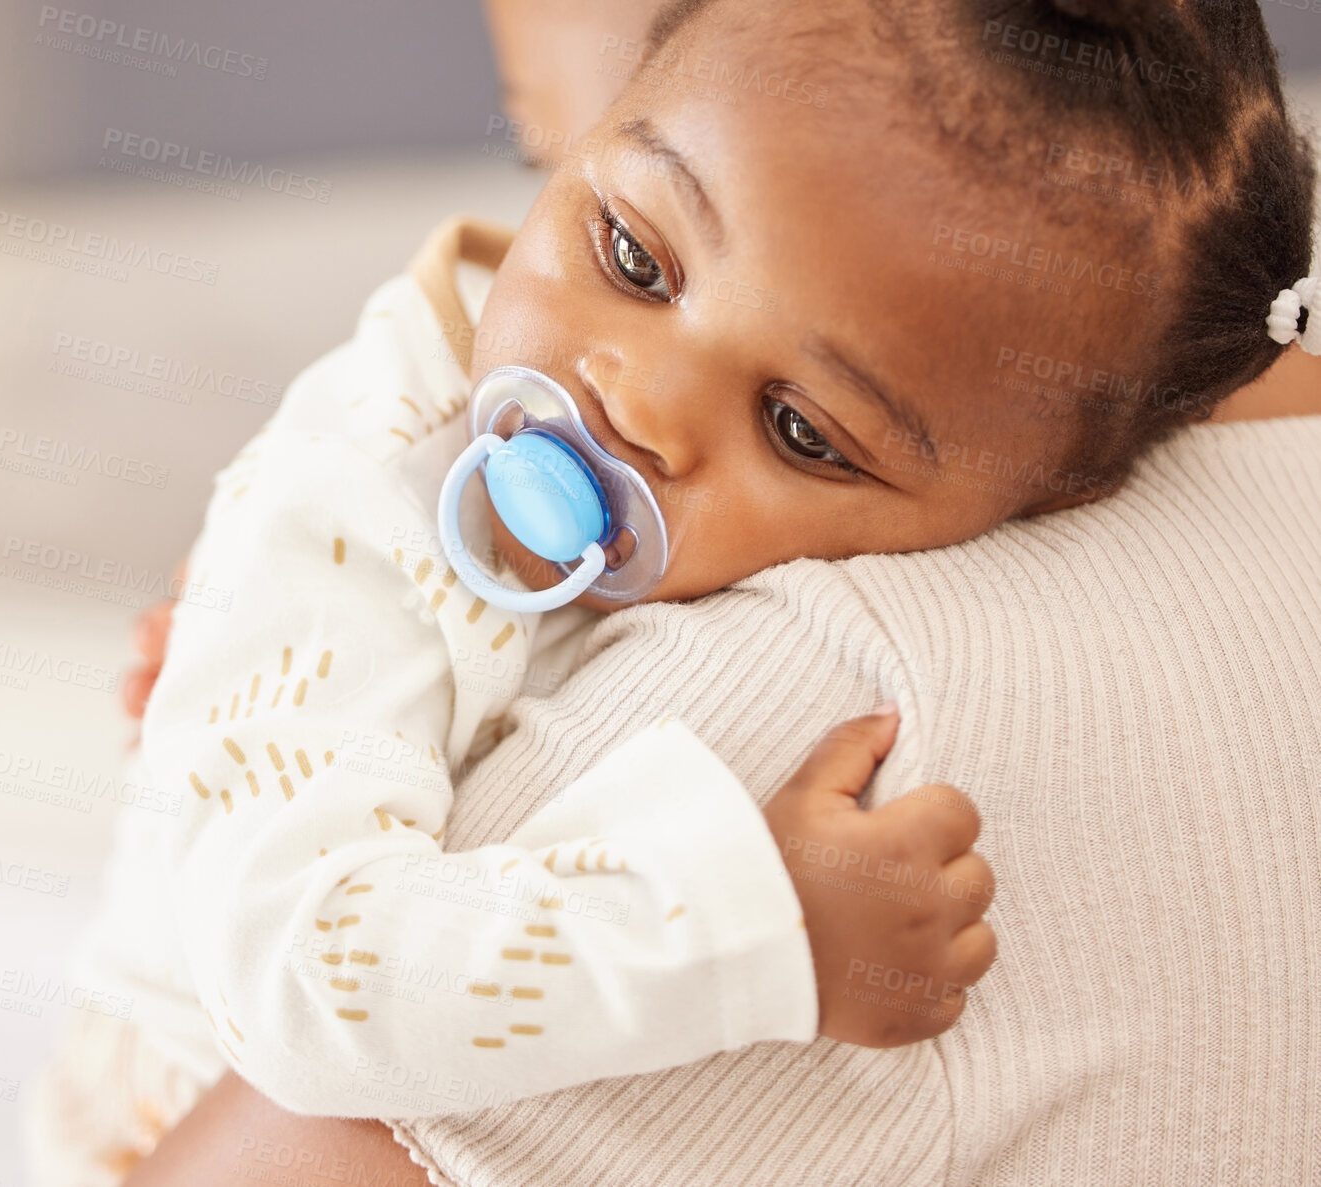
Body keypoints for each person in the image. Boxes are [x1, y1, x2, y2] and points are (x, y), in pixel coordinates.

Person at [73, 0, 1321, 1181]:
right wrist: (743, 921)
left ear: (1024, 517)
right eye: (632, 254)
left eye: (801, 429)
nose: (642, 401)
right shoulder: (357, 503)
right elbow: (295, 989)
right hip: (155, 1111)